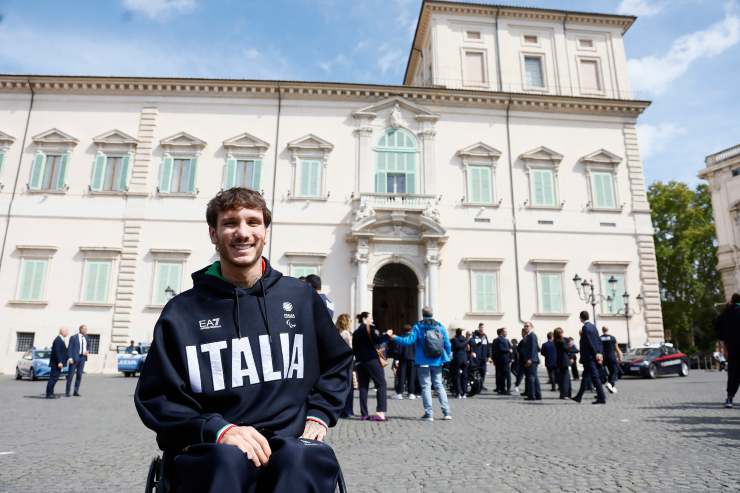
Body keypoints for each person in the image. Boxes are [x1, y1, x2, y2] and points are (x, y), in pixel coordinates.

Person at [135, 188, 353, 492]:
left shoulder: (301, 299)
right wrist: (218, 430)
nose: (242, 232)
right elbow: (156, 398)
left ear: (265, 230)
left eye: (253, 222)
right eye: (230, 223)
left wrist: (319, 415)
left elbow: (338, 362)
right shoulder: (181, 312)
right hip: (213, 449)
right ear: (213, 233)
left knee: (299, 459)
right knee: (226, 461)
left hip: (290, 445)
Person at [387, 306, 452, 421]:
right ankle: (446, 412)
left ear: (422, 314)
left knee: (426, 387)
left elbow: (408, 341)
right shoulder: (440, 326)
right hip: (437, 360)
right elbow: (447, 344)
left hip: (422, 361)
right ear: (432, 314)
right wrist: (446, 356)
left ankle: (429, 414)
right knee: (439, 386)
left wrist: (395, 337)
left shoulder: (418, 326)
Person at [352, 312, 388, 421]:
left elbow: (354, 348)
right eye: (370, 317)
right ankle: (380, 412)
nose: (372, 319)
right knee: (381, 384)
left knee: (363, 387)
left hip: (359, 362)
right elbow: (378, 340)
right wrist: (387, 335)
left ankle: (364, 414)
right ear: (364, 319)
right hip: (372, 360)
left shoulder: (356, 332)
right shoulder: (368, 329)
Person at [573, 311, 607, 405]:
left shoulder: (585, 327)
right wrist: (600, 352)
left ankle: (602, 397)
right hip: (593, 355)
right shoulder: (593, 326)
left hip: (590, 357)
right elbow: (598, 340)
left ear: (581, 318)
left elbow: (590, 342)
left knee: (595, 377)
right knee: (585, 377)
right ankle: (578, 396)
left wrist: (596, 353)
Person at [716, 293, 740, 408]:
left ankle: (730, 398)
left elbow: (718, 327)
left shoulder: (727, 313)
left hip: (732, 348)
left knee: (733, 374)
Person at [336, 313, 355, 418]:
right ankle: (347, 410)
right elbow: (350, 348)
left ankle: (344, 410)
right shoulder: (346, 334)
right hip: (347, 363)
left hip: (341, 363)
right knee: (349, 386)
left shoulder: (338, 333)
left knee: (344, 386)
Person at [392, 324, 417, 400]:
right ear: (411, 330)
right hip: (413, 359)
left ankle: (399, 393)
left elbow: (397, 350)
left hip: (403, 359)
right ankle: (411, 393)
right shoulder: (414, 338)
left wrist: (396, 359)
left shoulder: (401, 338)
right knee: (412, 377)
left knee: (401, 376)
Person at [520, 322, 541, 401]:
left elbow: (533, 348)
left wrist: (530, 359)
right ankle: (538, 395)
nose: (526, 327)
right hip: (531, 359)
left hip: (531, 360)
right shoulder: (528, 336)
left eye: (527, 326)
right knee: (534, 378)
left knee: (531, 378)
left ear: (532, 327)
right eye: (525, 326)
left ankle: (531, 396)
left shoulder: (532, 335)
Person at [66, 324, 89, 397]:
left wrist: (87, 351)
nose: (86, 330)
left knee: (79, 375)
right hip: (74, 358)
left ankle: (76, 391)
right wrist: (70, 358)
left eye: (86, 329)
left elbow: (88, 346)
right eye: (85, 329)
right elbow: (69, 348)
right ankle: (67, 392)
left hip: (82, 358)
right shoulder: (73, 337)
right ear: (81, 329)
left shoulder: (86, 337)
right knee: (70, 376)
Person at [45, 327, 68, 399]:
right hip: (56, 363)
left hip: (57, 363)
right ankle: (49, 394)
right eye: (66, 331)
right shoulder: (58, 340)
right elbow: (57, 352)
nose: (67, 333)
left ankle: (51, 393)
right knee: (53, 378)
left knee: (55, 378)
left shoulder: (61, 339)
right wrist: (60, 362)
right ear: (62, 332)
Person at [600, 326, 622, 394]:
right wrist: (620, 356)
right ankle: (610, 383)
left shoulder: (599, 338)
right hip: (611, 357)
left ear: (602, 330)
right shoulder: (612, 338)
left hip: (603, 357)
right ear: (608, 330)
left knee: (602, 371)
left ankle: (610, 386)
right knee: (614, 371)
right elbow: (617, 348)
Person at [469, 323, 490, 391]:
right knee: (477, 372)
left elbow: (487, 346)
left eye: (483, 327)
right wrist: (480, 339)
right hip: (477, 357)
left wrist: (488, 355)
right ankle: (477, 385)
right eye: (481, 327)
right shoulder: (475, 336)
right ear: (479, 327)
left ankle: (481, 385)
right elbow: (473, 343)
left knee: (483, 372)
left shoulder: (485, 336)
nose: (482, 329)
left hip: (483, 357)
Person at [450, 328, 469, 399]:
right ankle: (465, 392)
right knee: (464, 376)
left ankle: (458, 393)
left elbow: (453, 347)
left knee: (457, 376)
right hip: (465, 359)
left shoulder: (454, 339)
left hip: (457, 359)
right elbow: (467, 348)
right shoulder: (465, 339)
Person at [553, 328, 572, 400]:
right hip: (564, 361)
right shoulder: (561, 341)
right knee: (565, 379)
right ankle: (565, 394)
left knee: (563, 378)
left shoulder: (556, 340)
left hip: (560, 361)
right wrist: (570, 345)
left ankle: (566, 394)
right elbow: (567, 348)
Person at [492, 328, 512, 395]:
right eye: (505, 332)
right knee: (506, 375)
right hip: (504, 360)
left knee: (500, 375)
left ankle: (501, 388)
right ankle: (506, 389)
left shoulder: (504, 340)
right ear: (501, 333)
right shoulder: (501, 340)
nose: (506, 333)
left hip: (500, 360)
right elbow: (501, 349)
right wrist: (508, 350)